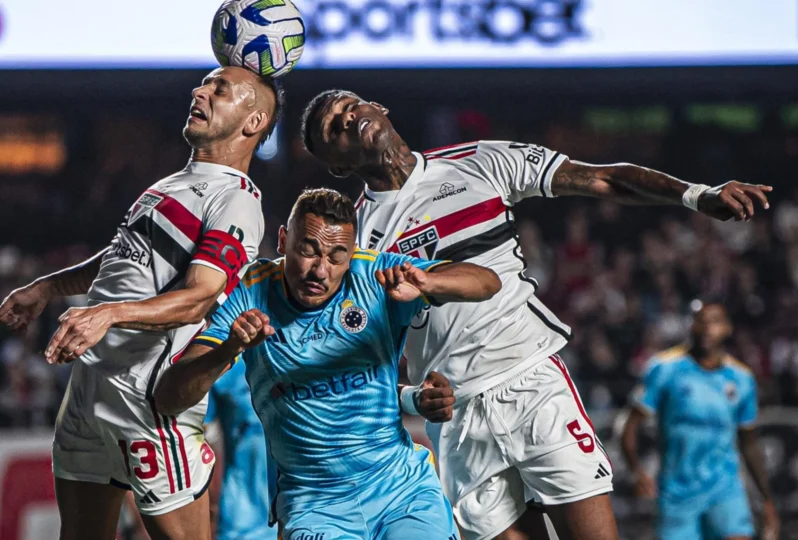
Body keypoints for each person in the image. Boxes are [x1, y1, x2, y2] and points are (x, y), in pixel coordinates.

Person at [299, 89, 773, 540]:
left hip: (529, 382)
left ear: (378, 107)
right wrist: (408, 397)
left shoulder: (481, 162)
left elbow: (603, 178)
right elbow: (351, 361)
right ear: (338, 165)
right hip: (456, 414)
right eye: (332, 128)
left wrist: (696, 195)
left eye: (349, 106)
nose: (347, 118)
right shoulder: (352, 243)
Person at [0, 65, 284, 540]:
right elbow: (118, 261)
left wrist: (108, 314)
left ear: (253, 122)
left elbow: (199, 298)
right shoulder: (171, 184)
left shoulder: (235, 199)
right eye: (205, 83)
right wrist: (46, 288)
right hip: (90, 391)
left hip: (146, 403)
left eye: (220, 89)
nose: (201, 91)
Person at [156, 188, 501, 539]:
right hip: (313, 506)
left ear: (351, 254)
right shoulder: (250, 293)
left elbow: (487, 282)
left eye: (337, 257)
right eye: (308, 250)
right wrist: (227, 348)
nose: (320, 270)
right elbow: (169, 398)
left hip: (400, 491)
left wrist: (429, 282)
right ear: (283, 240)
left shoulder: (374, 275)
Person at [621, 302, 779, 540]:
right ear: (690, 325)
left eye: (714, 322)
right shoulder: (664, 368)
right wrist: (636, 471)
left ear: (727, 328)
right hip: (677, 492)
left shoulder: (742, 378)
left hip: (725, 488)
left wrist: (766, 499)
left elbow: (749, 443)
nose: (707, 328)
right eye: (700, 321)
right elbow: (629, 425)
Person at [205, 359, 275, 540]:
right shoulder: (222, 360)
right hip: (243, 519)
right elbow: (199, 440)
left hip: (309, 508)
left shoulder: (310, 352)